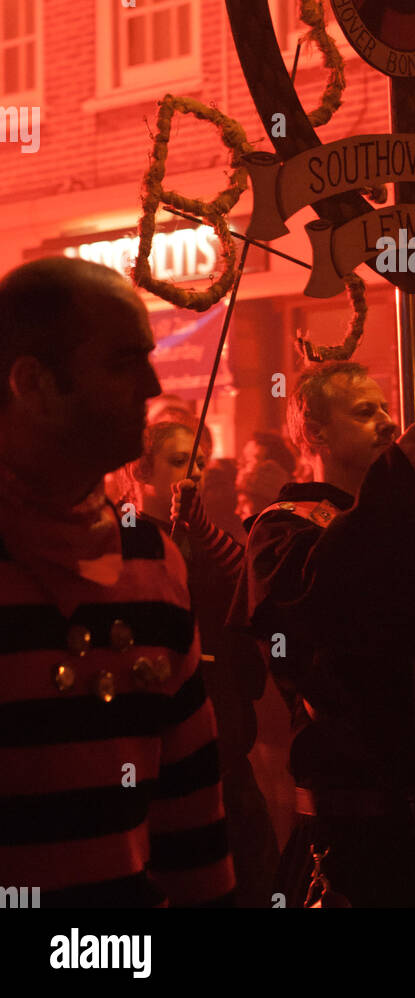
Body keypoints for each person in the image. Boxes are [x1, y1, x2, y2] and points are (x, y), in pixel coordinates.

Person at [228, 360, 415, 908]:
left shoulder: (407, 518)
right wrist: (389, 493)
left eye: (386, 408)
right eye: (365, 412)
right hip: (358, 817)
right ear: (316, 432)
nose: (388, 422)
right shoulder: (282, 528)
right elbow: (326, 612)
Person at [0, 258, 235, 906]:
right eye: (121, 362)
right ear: (34, 383)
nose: (154, 384)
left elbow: (190, 807)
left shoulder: (151, 557)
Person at [125, 421, 279, 907]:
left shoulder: (210, 537)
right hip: (156, 758)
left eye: (198, 462)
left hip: (225, 748)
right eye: (177, 462)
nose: (191, 473)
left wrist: (202, 528)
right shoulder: (123, 537)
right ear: (141, 469)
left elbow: (248, 591)